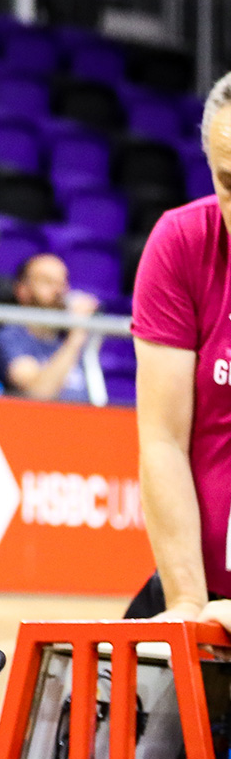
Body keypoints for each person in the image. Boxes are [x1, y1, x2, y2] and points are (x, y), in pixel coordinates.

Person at [131, 72, 231, 627]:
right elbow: (164, 440)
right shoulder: (184, 243)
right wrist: (188, 603)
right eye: (228, 182)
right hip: (201, 594)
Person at [0, 251, 97, 402]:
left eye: (62, 283)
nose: (59, 291)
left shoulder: (67, 338)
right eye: (47, 282)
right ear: (22, 290)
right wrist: (76, 337)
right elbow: (39, 393)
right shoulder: (10, 338)